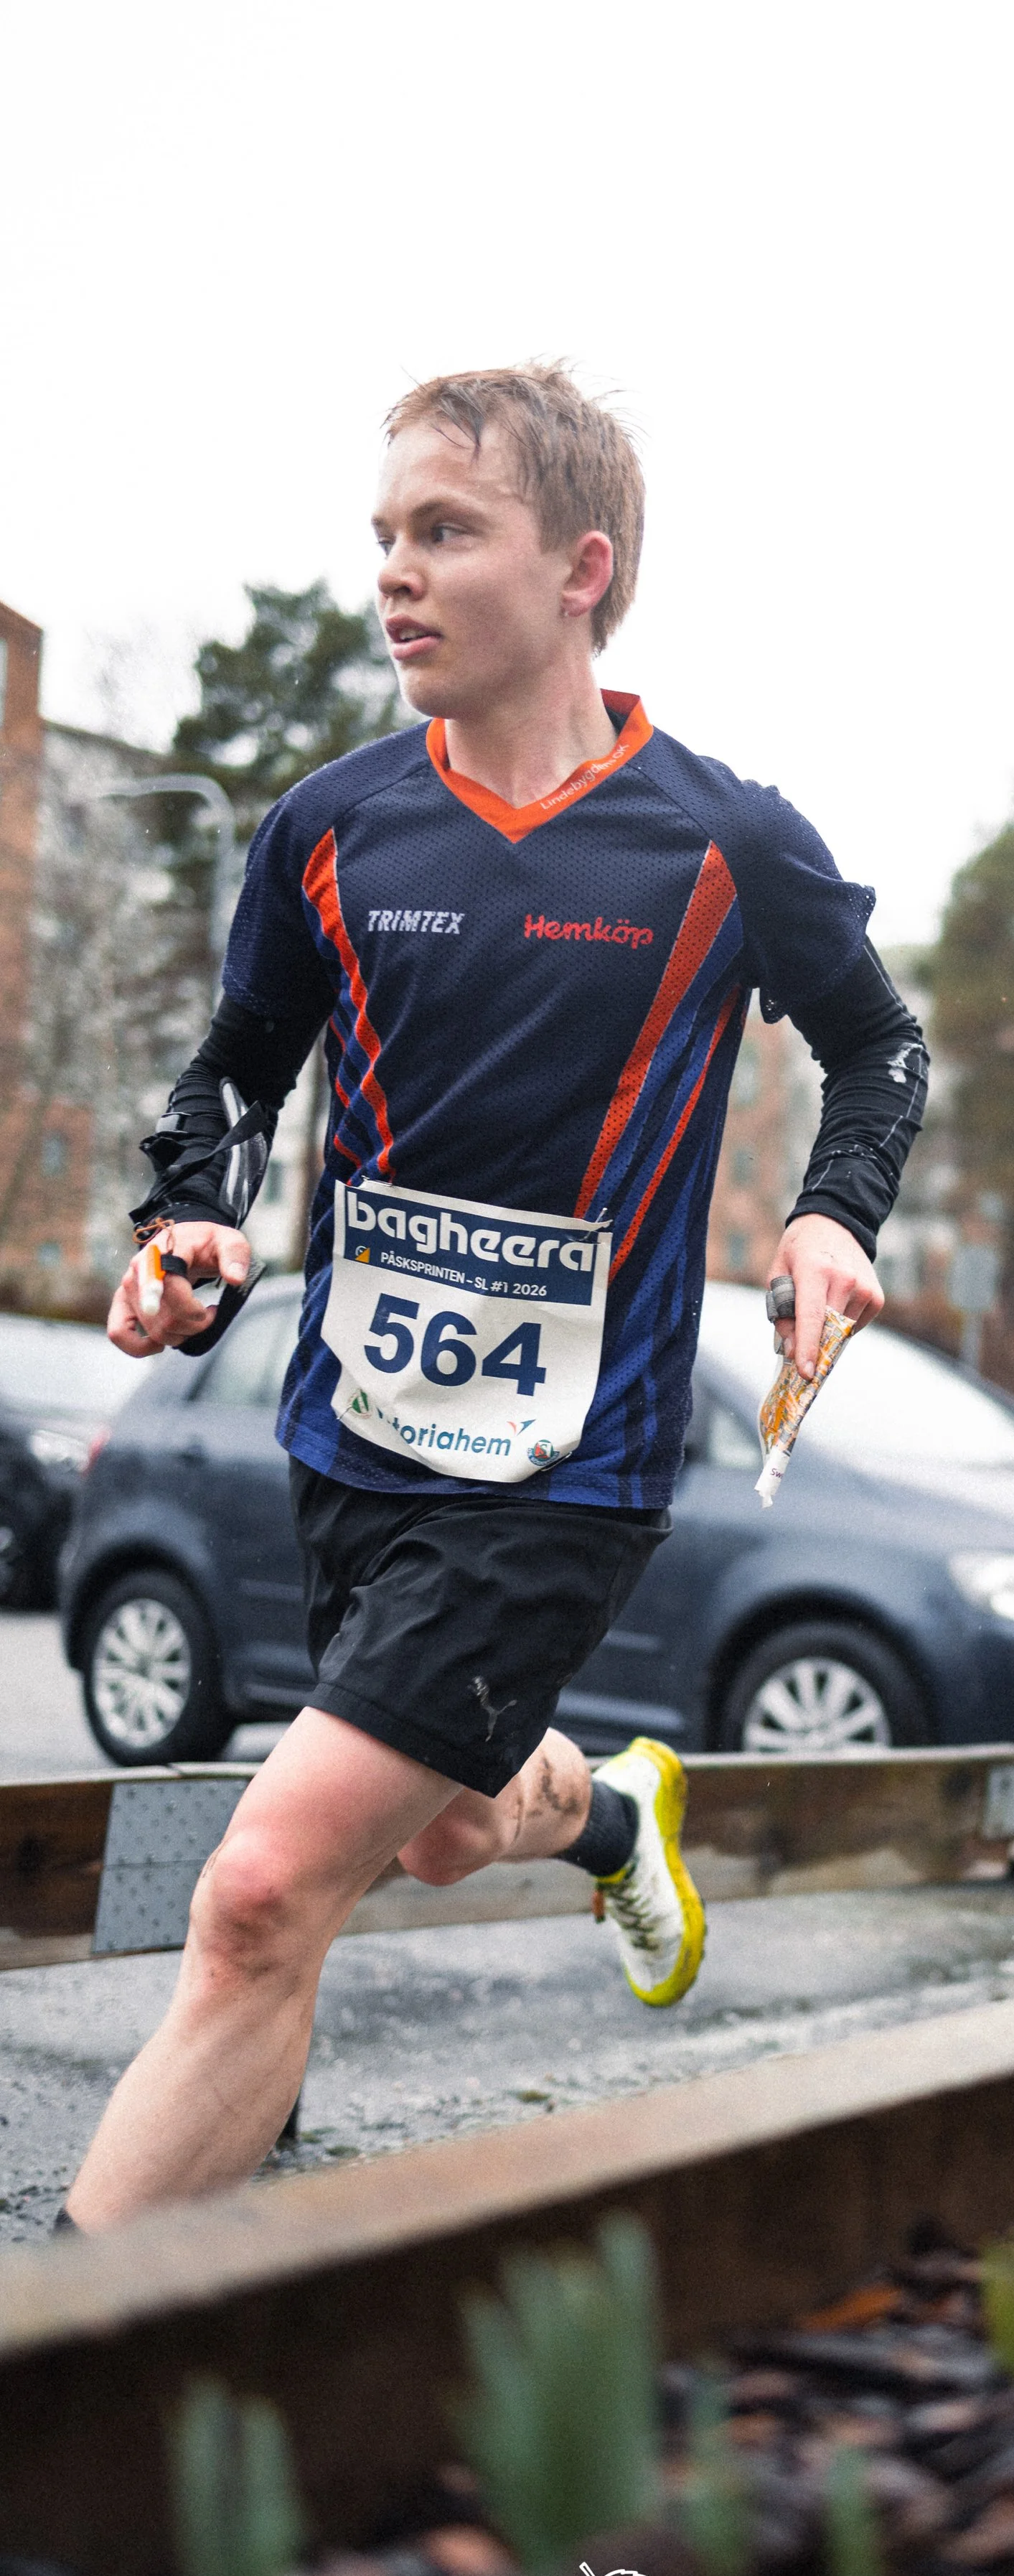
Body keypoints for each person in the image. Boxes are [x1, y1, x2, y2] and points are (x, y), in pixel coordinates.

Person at [62, 364, 928, 2231]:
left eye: (445, 532)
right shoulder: (326, 828)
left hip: (569, 1461)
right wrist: (188, 1229)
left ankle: (76, 2351)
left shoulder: (723, 840)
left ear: (581, 570)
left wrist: (829, 1217)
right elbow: (227, 1074)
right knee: (442, 1827)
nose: (395, 574)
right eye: (382, 536)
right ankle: (610, 1816)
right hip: (353, 1434)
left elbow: (876, 1050)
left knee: (261, 1893)